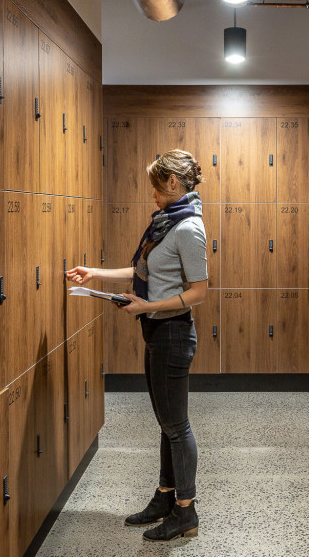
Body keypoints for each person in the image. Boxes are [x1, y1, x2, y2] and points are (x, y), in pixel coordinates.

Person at [65, 149, 208, 542]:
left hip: (173, 333)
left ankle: (186, 512)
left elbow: (199, 292)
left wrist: (148, 305)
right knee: (167, 423)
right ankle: (165, 497)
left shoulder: (188, 228)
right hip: (156, 330)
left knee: (177, 426)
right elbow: (142, 270)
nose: (152, 195)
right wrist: (94, 273)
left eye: (156, 187)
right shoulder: (165, 224)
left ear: (173, 184)